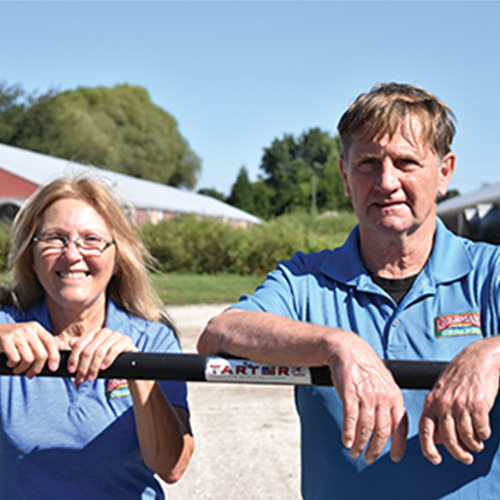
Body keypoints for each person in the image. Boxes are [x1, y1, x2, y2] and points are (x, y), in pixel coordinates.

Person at [197, 82, 500, 499]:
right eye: (368, 163)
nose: (386, 181)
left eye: (406, 162)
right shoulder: (306, 280)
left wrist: (492, 353)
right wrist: (336, 345)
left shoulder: (489, 272)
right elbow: (220, 332)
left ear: (444, 172)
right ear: (344, 175)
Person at [0, 176, 194, 499]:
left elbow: (171, 466)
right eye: (54, 239)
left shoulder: (152, 339)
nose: (72, 254)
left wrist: (137, 370)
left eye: (91, 239)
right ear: (31, 258)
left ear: (117, 258)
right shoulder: (8, 331)